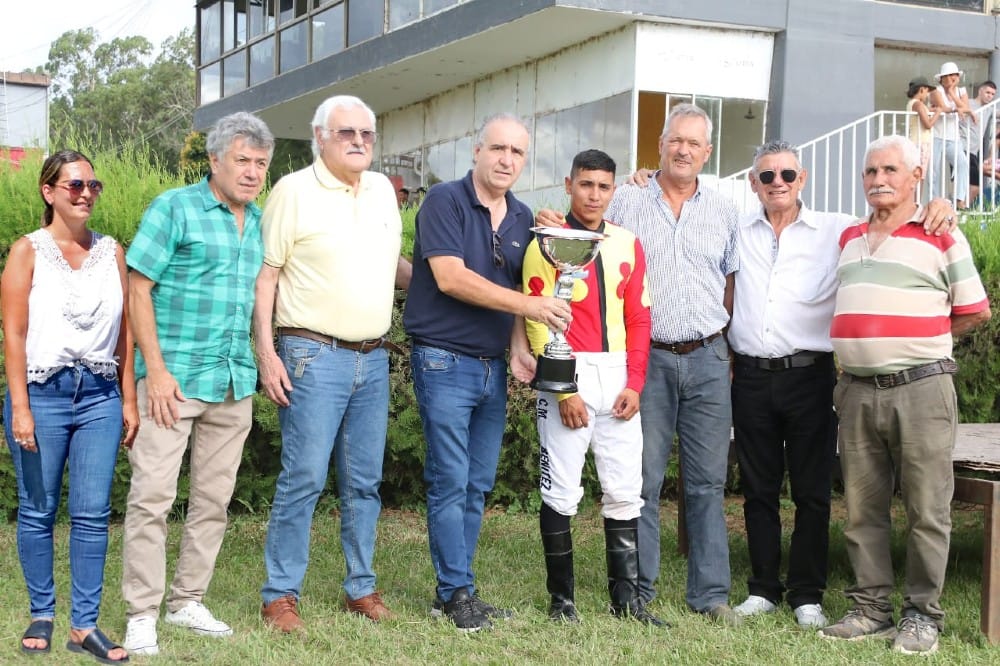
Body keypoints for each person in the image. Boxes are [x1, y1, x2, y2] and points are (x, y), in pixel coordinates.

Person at [725, 141, 958, 631]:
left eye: (787, 174)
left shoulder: (838, 230)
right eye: (766, 177)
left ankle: (807, 593)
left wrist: (942, 204)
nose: (778, 184)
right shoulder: (735, 230)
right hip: (748, 376)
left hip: (810, 375)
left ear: (802, 179)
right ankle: (764, 589)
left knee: (812, 491)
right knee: (758, 489)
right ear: (753, 184)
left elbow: (892, 211)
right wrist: (641, 178)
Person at [538, 103, 741, 625]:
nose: (684, 150)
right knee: (641, 479)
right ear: (660, 144)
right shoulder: (625, 197)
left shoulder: (723, 209)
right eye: (676, 140)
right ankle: (637, 593)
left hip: (708, 353)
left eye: (695, 143)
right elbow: (574, 238)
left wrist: (727, 346)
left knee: (706, 482)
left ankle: (711, 595)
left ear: (707, 152)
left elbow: (731, 282)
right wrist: (546, 222)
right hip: (645, 362)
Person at [819, 135, 990, 655]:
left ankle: (922, 617)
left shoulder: (941, 234)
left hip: (921, 389)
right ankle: (870, 609)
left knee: (927, 509)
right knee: (861, 508)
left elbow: (975, 310)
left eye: (890, 170)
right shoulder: (848, 236)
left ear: (917, 177)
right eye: (871, 172)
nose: (878, 180)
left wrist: (920, 342)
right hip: (854, 391)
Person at [403, 112, 571, 632]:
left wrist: (520, 345)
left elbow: (520, 295)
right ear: (477, 152)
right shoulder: (444, 201)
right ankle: (456, 593)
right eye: (497, 148)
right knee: (450, 480)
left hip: (491, 367)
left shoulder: (523, 218)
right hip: (443, 358)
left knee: (477, 484)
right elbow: (451, 279)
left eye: (517, 152)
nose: (506, 159)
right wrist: (530, 306)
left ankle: (457, 589)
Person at [255, 95, 411, 632]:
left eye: (367, 133)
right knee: (303, 478)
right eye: (347, 133)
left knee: (365, 483)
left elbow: (395, 266)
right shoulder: (292, 191)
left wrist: (459, 284)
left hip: (373, 358)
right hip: (311, 355)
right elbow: (266, 276)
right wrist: (266, 352)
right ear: (319, 136)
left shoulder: (383, 196)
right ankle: (280, 596)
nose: (359, 142)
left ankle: (361, 589)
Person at [121, 112, 275, 656]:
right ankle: (142, 613)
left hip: (234, 381)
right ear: (214, 161)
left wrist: (264, 358)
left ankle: (187, 601)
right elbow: (138, 290)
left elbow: (262, 297)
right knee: (152, 498)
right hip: (175, 381)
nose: (252, 172)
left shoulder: (259, 221)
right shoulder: (175, 207)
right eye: (242, 160)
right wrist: (155, 372)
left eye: (260, 163)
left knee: (213, 498)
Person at [2, 150, 137, 663]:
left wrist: (129, 398)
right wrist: (20, 405)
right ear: (49, 191)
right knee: (38, 510)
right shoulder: (27, 251)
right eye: (75, 184)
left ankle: (84, 625)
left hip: (100, 394)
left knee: (93, 513)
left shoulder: (112, 252)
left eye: (93, 185)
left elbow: (125, 331)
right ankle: (42, 611)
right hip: (43, 392)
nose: (85, 193)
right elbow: (12, 334)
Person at [523, 149, 664, 627]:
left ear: (613, 190)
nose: (595, 195)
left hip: (619, 374)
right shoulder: (545, 241)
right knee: (560, 491)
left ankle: (626, 602)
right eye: (586, 184)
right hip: (568, 373)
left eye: (604, 186)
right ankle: (562, 602)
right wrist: (564, 392)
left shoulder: (627, 242)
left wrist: (637, 383)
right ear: (569, 184)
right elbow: (538, 320)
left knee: (625, 489)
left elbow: (640, 318)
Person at [930, 61, 974, 207]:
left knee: (962, 163)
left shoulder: (961, 91)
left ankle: (959, 199)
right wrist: (957, 108)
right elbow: (944, 107)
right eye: (947, 76)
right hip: (936, 135)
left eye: (954, 75)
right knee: (933, 171)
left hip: (953, 137)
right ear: (941, 78)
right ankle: (934, 202)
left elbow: (966, 107)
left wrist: (952, 93)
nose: (951, 78)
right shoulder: (936, 90)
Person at [905, 76, 940, 201]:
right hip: (921, 143)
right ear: (921, 90)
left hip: (916, 142)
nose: (927, 94)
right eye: (926, 91)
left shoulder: (913, 104)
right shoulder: (918, 104)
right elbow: (928, 124)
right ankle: (916, 203)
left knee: (917, 175)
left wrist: (930, 110)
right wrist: (938, 112)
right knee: (920, 175)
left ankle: (915, 203)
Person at [967, 80, 996, 205]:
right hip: (963, 147)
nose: (990, 96)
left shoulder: (989, 108)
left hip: (974, 151)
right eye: (988, 92)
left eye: (992, 94)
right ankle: (962, 209)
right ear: (980, 91)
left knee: (973, 184)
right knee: (974, 183)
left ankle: (962, 208)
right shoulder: (968, 104)